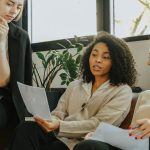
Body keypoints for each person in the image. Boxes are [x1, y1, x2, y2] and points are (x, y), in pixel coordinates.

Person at [8, 31, 136, 150]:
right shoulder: (75, 85)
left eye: (106, 57)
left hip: (88, 141)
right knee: (27, 128)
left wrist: (59, 125)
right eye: (94, 54)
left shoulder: (122, 91)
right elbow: (59, 113)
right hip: (60, 138)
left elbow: (99, 125)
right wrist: (47, 120)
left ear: (117, 62)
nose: (98, 60)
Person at [73, 49, 150, 150]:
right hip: (135, 146)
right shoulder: (145, 95)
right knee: (90, 145)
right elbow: (131, 135)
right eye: (149, 57)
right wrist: (100, 135)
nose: (148, 62)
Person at [0, 0, 32, 149]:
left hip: (8, 103)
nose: (14, 11)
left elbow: (3, 80)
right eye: (9, 4)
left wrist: (1, 45)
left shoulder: (21, 37)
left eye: (19, 7)